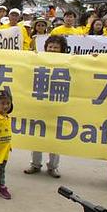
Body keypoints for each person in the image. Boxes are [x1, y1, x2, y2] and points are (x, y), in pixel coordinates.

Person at [25, 36, 67, 177]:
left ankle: (53, 167)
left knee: (55, 137)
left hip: (58, 104)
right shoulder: (38, 60)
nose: (52, 49)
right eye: (50, 46)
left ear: (62, 49)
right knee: (37, 134)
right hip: (40, 103)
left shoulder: (68, 62)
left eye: (56, 47)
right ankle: (35, 164)